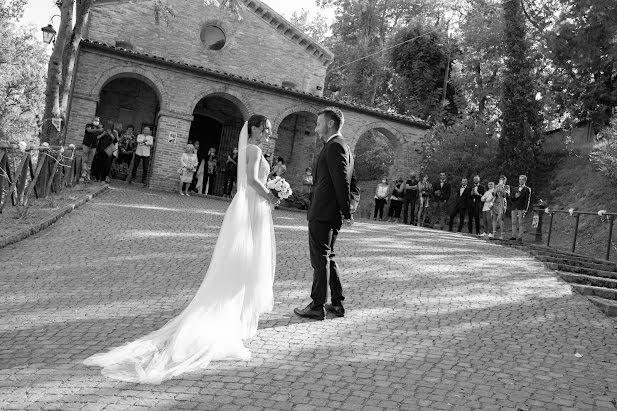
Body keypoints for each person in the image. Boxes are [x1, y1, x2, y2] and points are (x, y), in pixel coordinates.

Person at [84, 115, 279, 384]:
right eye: (266, 128)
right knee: (245, 264)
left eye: (269, 130)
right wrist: (272, 194)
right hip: (253, 206)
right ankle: (227, 325)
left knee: (240, 264)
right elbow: (254, 181)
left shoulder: (249, 149)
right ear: (255, 128)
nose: (268, 133)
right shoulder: (255, 150)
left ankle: (234, 322)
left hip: (246, 206)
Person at [294, 107, 359, 320]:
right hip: (331, 213)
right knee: (329, 257)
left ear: (330, 124)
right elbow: (354, 186)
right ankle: (337, 304)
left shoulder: (334, 147)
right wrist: (349, 208)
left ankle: (317, 305)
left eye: (318, 123)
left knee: (320, 260)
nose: (315, 128)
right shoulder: (344, 147)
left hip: (323, 213)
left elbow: (343, 183)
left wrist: (346, 212)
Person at [510, 174, 531, 242]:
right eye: (519, 179)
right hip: (514, 207)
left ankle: (520, 237)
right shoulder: (515, 189)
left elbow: (527, 200)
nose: (520, 181)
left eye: (522, 179)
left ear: (525, 180)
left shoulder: (527, 189)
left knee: (521, 223)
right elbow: (511, 198)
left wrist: (525, 209)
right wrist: (515, 197)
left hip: (521, 208)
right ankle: (513, 236)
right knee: (513, 222)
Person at [81, 116, 103, 180]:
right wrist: (98, 129)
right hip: (86, 144)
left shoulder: (99, 127)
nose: (96, 122)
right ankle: (84, 173)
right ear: (92, 120)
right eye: (95, 120)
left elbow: (100, 133)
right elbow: (89, 130)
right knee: (84, 159)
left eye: (98, 121)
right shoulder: (88, 125)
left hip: (94, 146)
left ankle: (88, 174)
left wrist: (99, 129)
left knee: (90, 161)